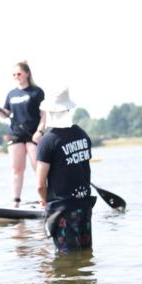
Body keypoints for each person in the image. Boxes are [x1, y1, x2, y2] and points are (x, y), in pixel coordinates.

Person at [35, 88, 95, 252]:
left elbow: (40, 185)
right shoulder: (83, 135)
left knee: (66, 259)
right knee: (85, 254)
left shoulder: (47, 141)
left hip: (62, 210)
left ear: (50, 111)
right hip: (84, 206)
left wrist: (43, 200)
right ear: (68, 109)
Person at [0, 61, 47, 208]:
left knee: (38, 168)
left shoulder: (37, 92)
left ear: (27, 74)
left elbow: (44, 113)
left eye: (19, 74)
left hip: (33, 135)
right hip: (16, 135)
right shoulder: (11, 94)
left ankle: (45, 199)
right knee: (16, 169)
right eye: (14, 75)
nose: (16, 76)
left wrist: (40, 131)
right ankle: (16, 202)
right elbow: (5, 114)